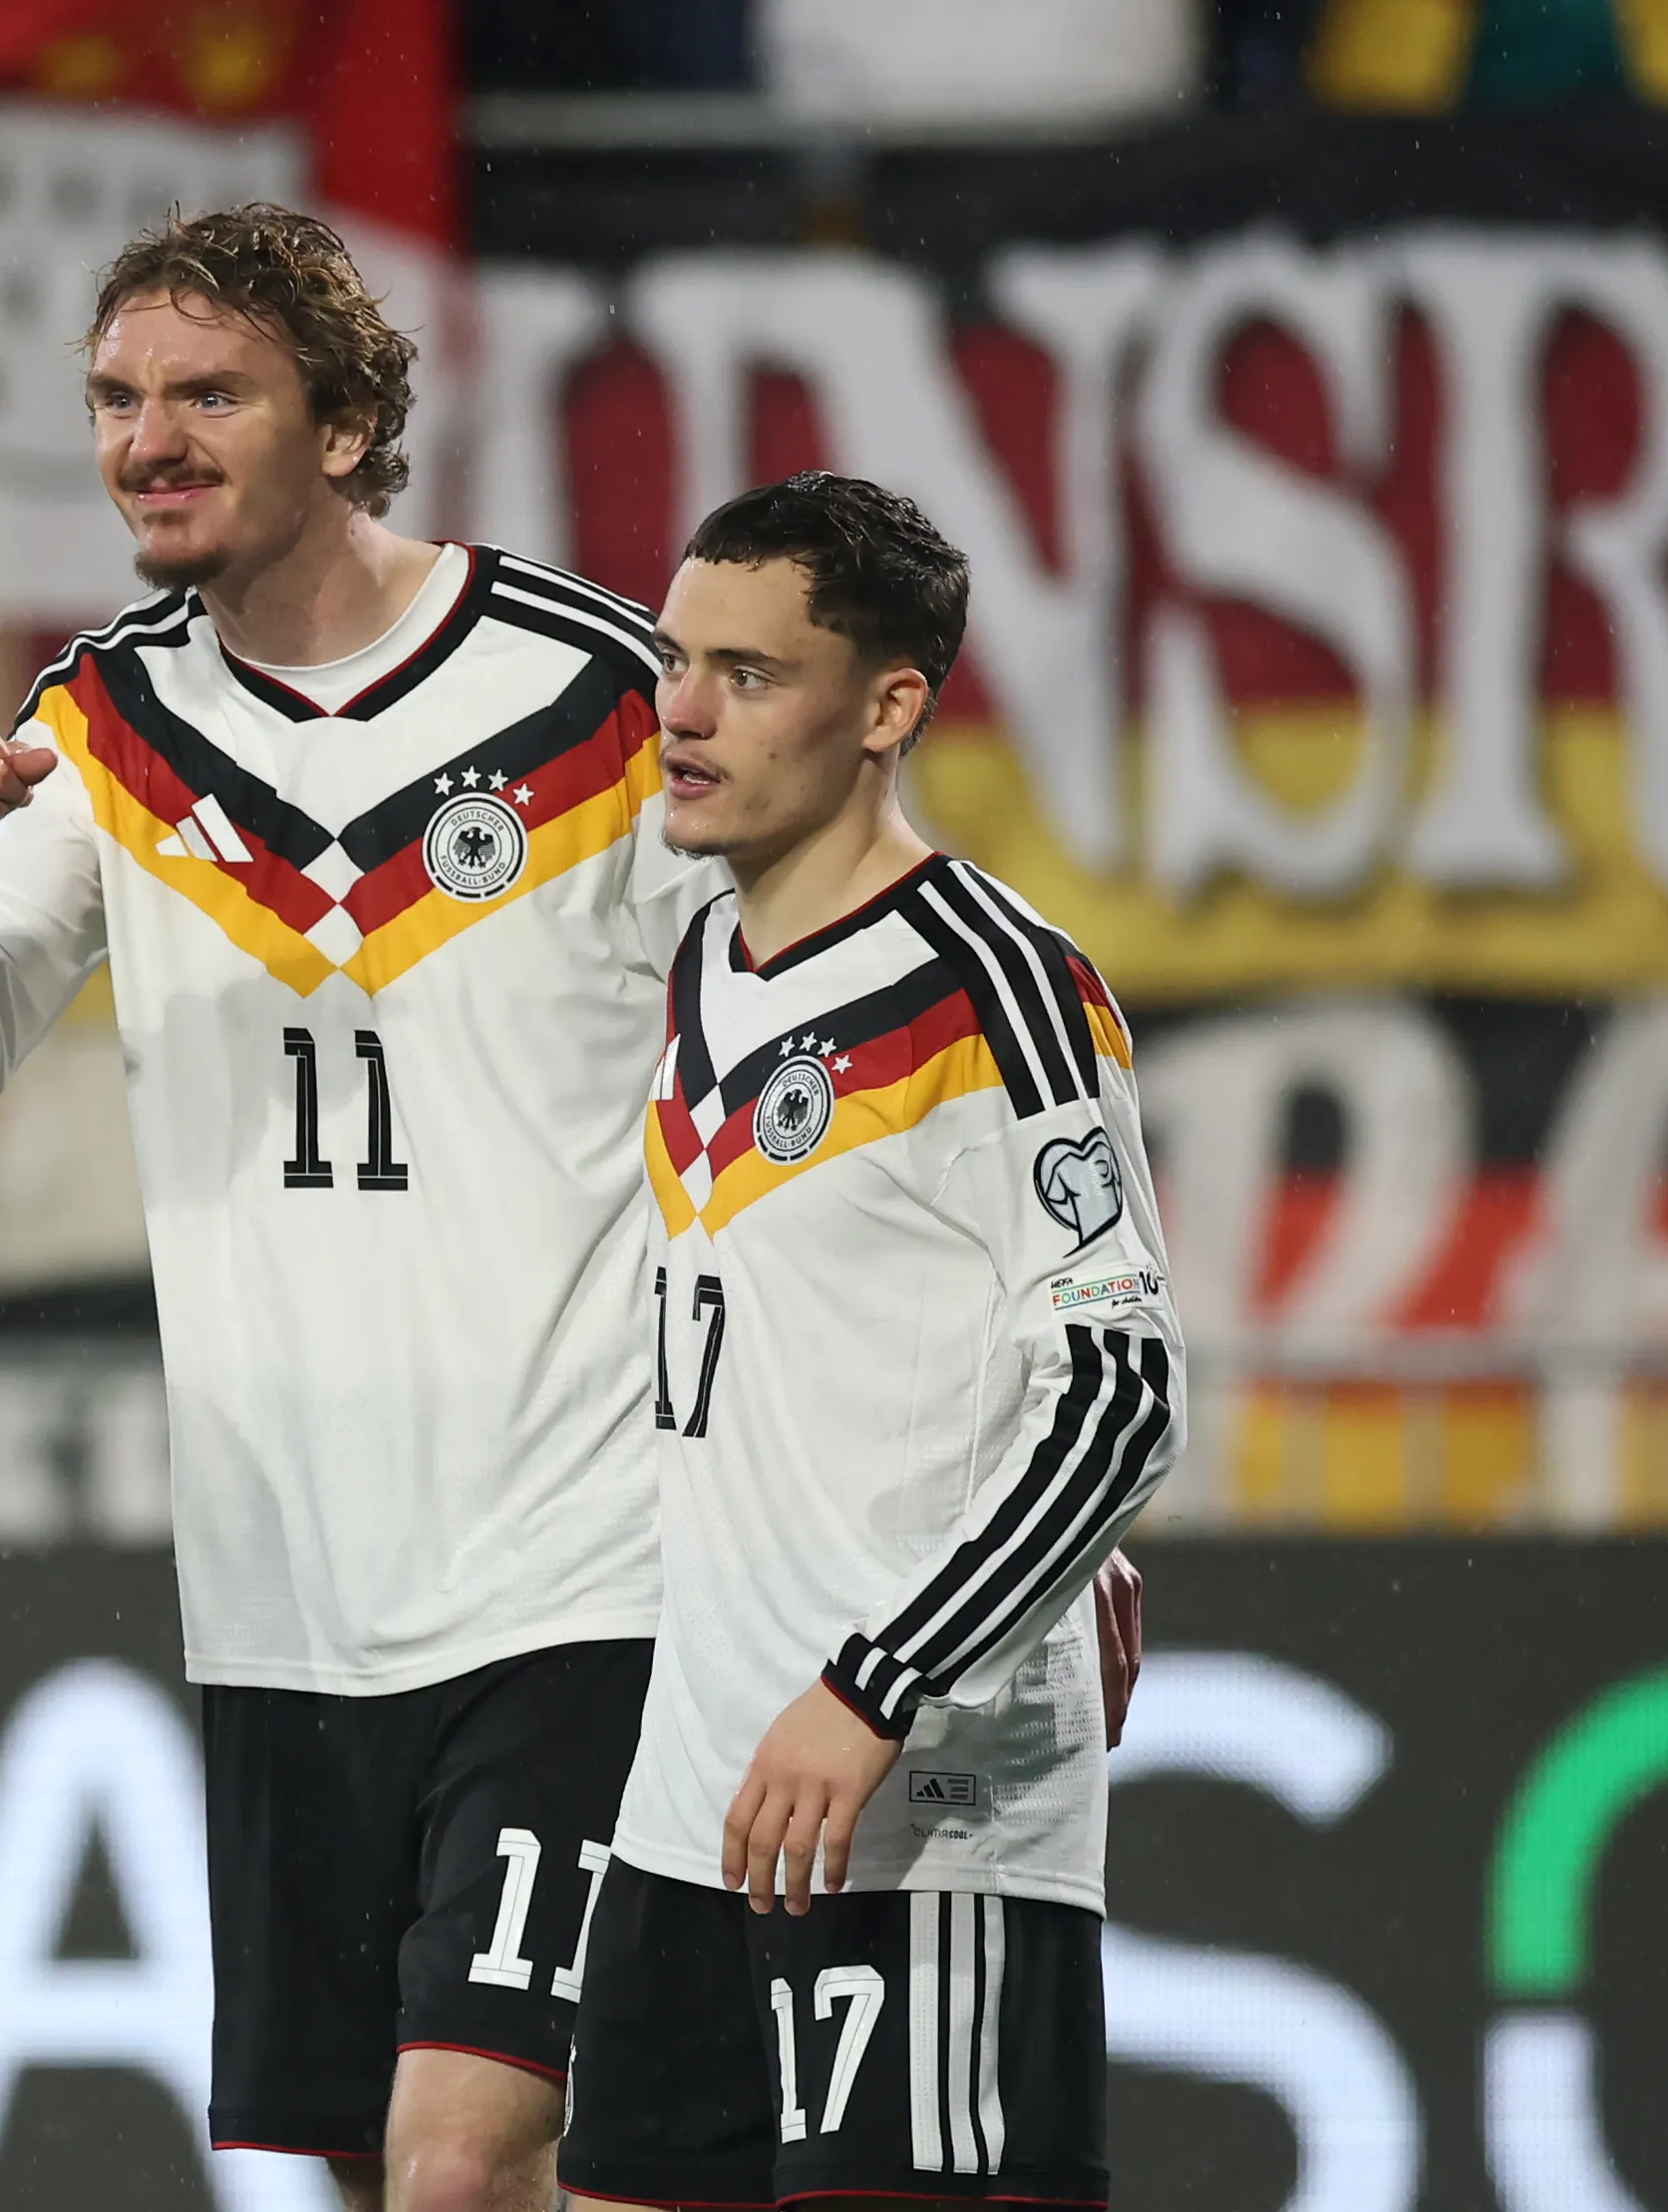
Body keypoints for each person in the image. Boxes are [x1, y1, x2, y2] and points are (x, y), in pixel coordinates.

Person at [0, 201, 702, 2212]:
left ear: (343, 423)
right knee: (451, 2163)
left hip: (583, 1563)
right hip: (288, 1596)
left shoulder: (592, 702)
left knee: (461, 2152)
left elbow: (813, 1017)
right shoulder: (103, 730)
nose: (146, 435)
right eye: (115, 398)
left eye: (207, 390)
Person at [558, 474, 1175, 2210]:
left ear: (888, 707)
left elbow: (1123, 1390)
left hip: (919, 1820)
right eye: (679, 660)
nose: (681, 710)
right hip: (694, 1807)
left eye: (748, 675)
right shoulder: (700, 962)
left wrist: (881, 1681)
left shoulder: (1003, 990)